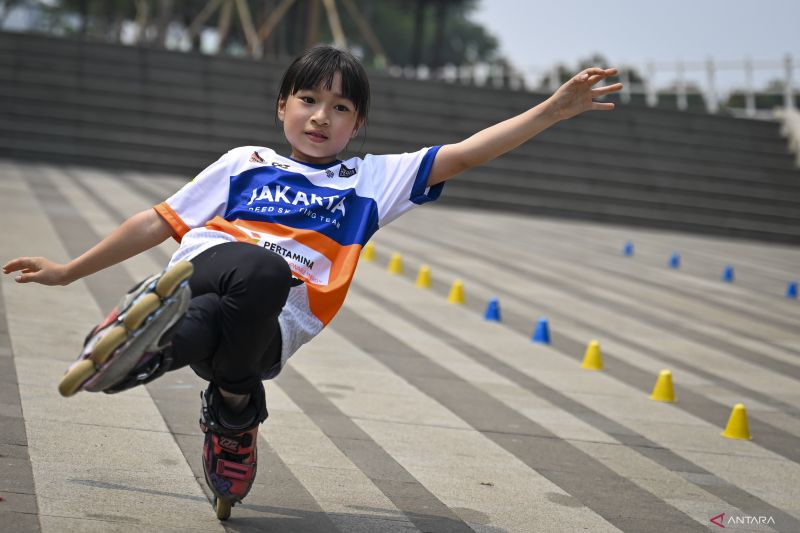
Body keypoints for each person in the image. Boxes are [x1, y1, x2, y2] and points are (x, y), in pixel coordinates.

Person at [2, 45, 622, 517]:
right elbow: (154, 222)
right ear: (281, 106)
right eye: (307, 100)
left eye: (341, 108)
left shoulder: (372, 179)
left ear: (358, 124)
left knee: (239, 314)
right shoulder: (244, 164)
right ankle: (183, 370)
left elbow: (466, 152)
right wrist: (67, 271)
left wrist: (553, 110)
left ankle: (163, 356)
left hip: (273, 327)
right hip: (211, 264)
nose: (321, 117)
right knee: (257, 267)